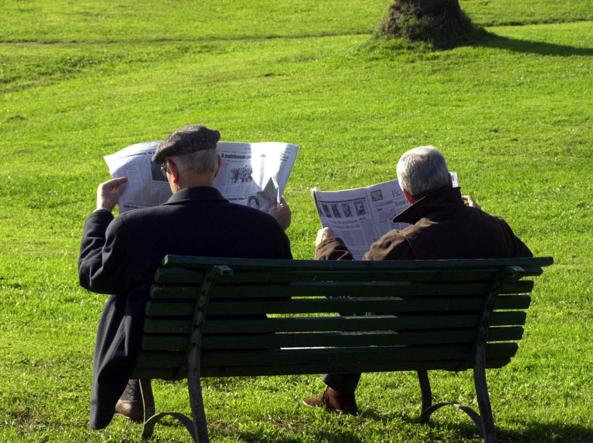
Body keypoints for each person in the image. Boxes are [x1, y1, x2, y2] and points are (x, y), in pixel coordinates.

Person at [78, 124, 292, 429]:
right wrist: (273, 229)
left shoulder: (132, 228)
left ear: (173, 173)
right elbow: (282, 295)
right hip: (241, 344)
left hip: (157, 348)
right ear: (217, 167)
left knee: (124, 294)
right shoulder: (263, 227)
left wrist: (101, 213)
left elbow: (92, 275)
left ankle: (131, 393)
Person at [303, 145, 532, 416]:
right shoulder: (496, 229)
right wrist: (486, 219)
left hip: (410, 344)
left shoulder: (401, 245)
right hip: (474, 342)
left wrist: (327, 246)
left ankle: (338, 394)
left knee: (362, 316)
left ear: (407, 195)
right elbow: (526, 264)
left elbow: (350, 297)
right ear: (449, 181)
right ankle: (337, 394)